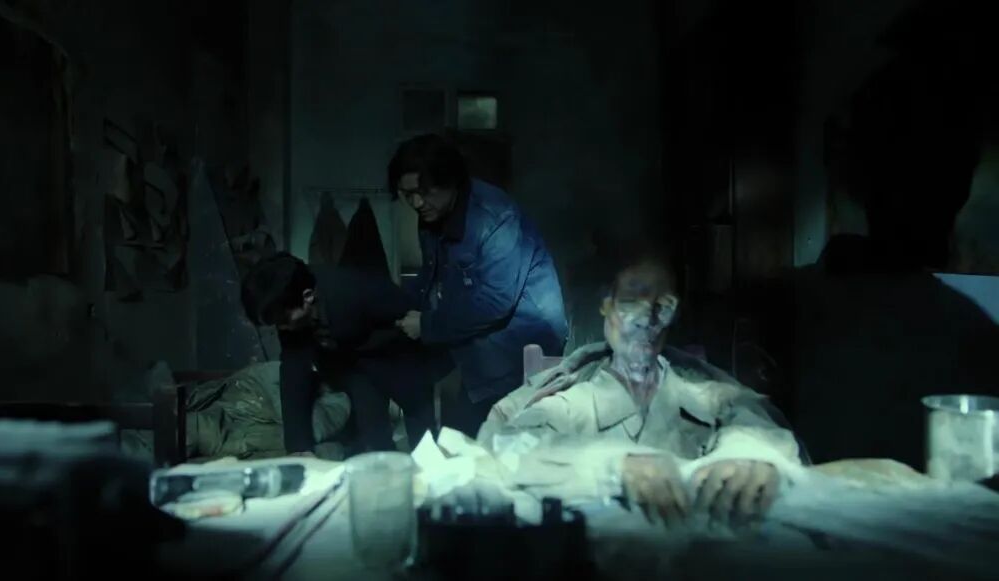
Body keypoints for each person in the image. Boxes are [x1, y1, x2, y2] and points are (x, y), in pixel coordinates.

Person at [484, 258, 803, 528]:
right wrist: (613, 466)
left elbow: (756, 418)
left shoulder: (703, 393)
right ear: (607, 308)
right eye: (630, 303)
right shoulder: (573, 402)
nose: (646, 321)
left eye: (662, 307)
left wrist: (750, 453)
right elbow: (511, 446)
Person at [389, 134, 569, 437]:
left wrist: (428, 325)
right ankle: (425, 456)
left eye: (425, 191)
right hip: (479, 333)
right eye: (408, 194)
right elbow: (431, 275)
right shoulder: (432, 215)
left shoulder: (494, 216)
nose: (417, 203)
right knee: (416, 380)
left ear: (451, 180)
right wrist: (393, 304)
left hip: (522, 338)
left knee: (497, 436)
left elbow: (496, 301)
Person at [241, 252, 441, 455]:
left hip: (399, 357)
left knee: (423, 441)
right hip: (355, 367)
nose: (281, 328)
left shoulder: (355, 290)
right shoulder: (289, 312)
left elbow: (410, 320)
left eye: (283, 320)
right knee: (373, 441)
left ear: (307, 296)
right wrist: (298, 447)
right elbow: (294, 373)